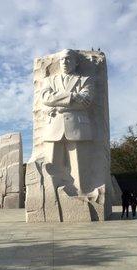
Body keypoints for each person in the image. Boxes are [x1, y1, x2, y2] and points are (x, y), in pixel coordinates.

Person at [41, 49, 94, 195]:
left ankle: (82, 193)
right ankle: (52, 195)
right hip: (54, 126)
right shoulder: (49, 80)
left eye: (69, 59)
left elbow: (86, 101)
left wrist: (57, 103)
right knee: (51, 164)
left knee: (79, 165)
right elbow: (46, 98)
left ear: (76, 62)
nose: (65, 62)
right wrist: (72, 96)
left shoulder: (85, 79)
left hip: (77, 126)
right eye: (62, 59)